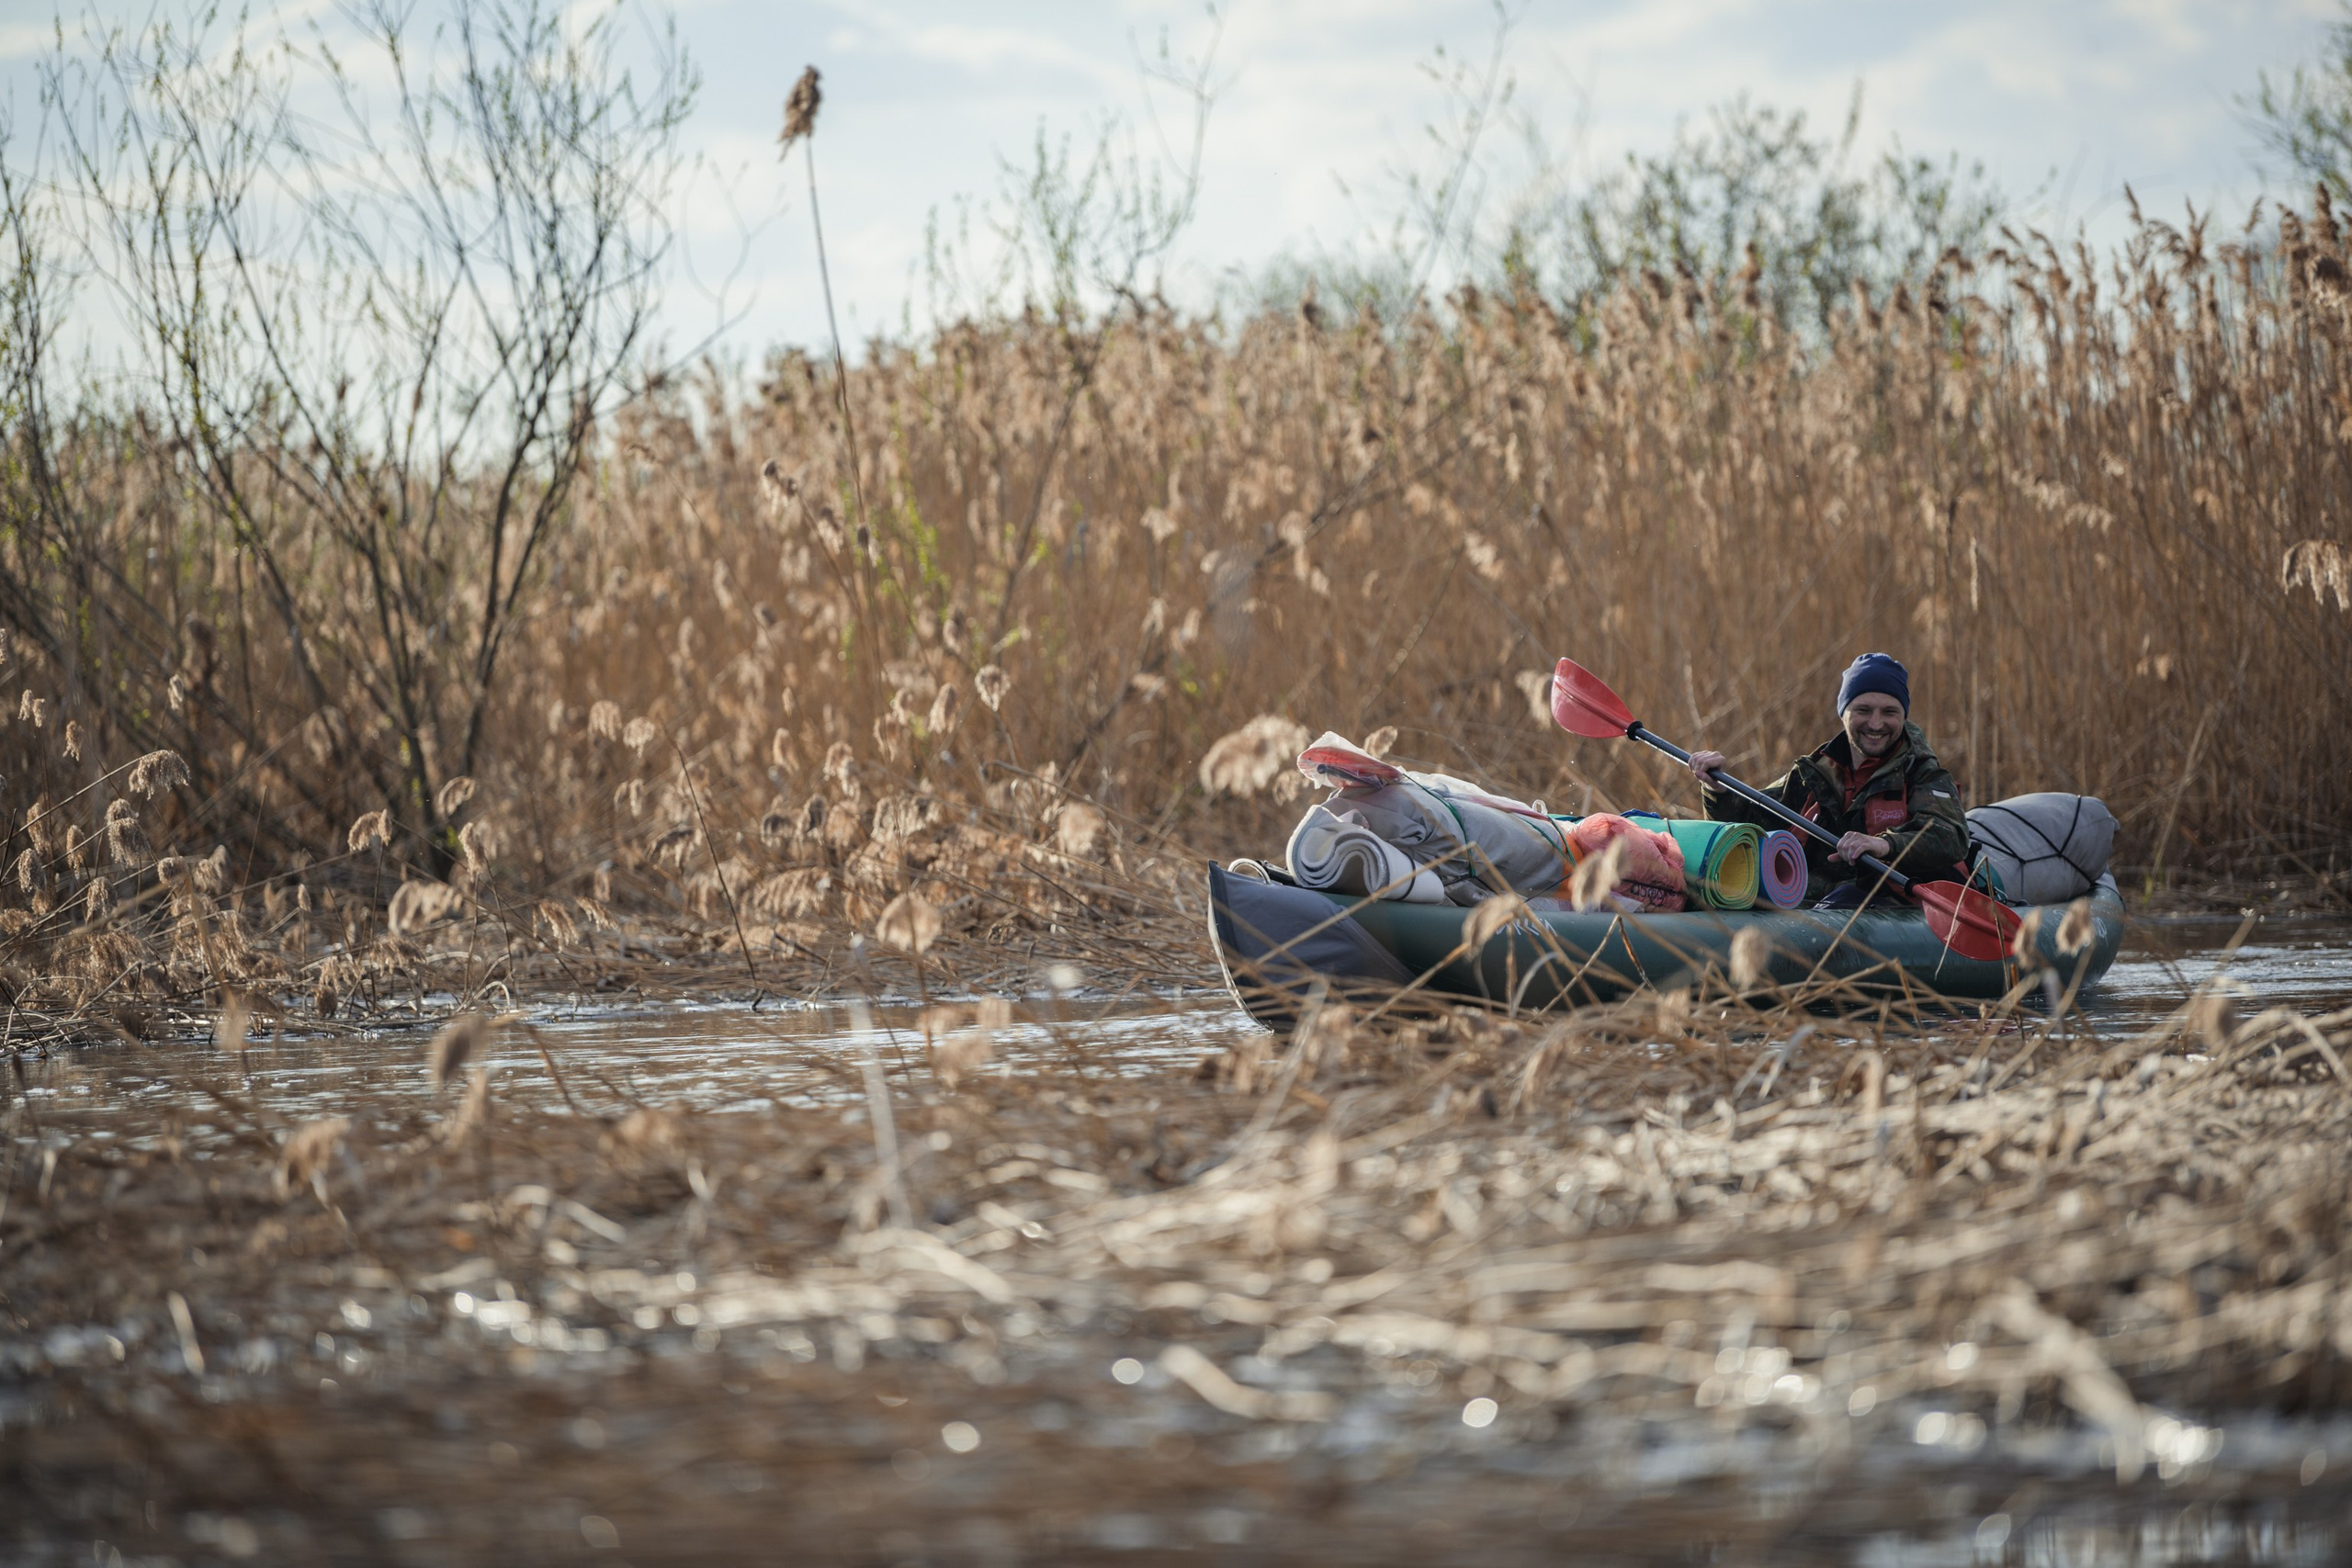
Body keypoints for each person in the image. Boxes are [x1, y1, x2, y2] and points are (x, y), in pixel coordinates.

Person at [1686, 651, 1970, 909]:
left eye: (1889, 712)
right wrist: (1719, 789)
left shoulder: (1923, 772)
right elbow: (1746, 826)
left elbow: (1951, 837)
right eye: (1863, 710)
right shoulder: (1814, 773)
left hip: (1891, 908)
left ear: (1903, 716)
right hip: (1818, 905)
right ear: (1843, 714)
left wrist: (1884, 844)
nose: (1875, 723)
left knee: (1845, 899)